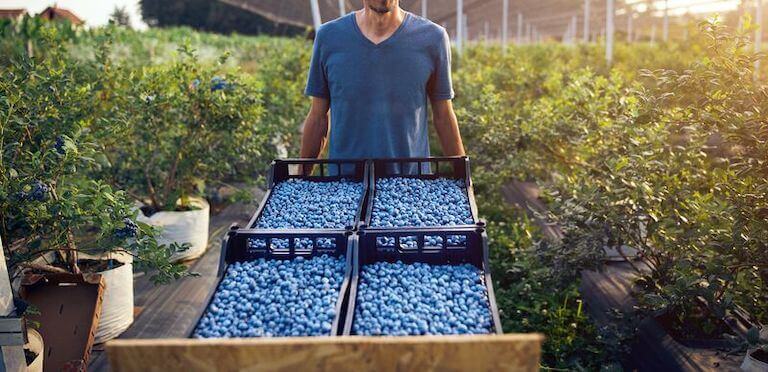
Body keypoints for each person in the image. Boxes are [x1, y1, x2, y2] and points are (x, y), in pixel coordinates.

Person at [300, 0, 465, 172]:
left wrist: (464, 182)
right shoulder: (329, 37)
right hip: (345, 185)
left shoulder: (432, 38)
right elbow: (318, 117)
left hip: (412, 186)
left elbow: (443, 116)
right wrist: (299, 182)